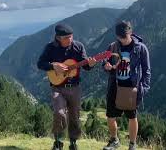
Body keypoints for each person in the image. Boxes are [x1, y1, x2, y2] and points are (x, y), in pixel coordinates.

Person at [37, 23, 97, 150]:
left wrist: (91, 64)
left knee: (74, 116)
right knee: (59, 113)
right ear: (58, 37)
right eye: (66, 37)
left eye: (71, 36)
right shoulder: (50, 48)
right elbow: (40, 64)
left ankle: (73, 142)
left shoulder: (78, 47)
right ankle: (58, 141)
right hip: (57, 87)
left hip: (74, 87)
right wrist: (54, 66)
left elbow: (86, 66)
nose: (70, 39)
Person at [102, 21, 151, 150]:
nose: (123, 40)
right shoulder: (112, 47)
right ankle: (114, 140)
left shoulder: (140, 48)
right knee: (110, 116)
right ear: (117, 36)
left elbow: (146, 70)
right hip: (115, 85)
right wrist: (106, 67)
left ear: (130, 33)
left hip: (131, 87)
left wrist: (144, 88)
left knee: (132, 116)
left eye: (125, 37)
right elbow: (105, 63)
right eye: (121, 37)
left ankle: (132, 144)